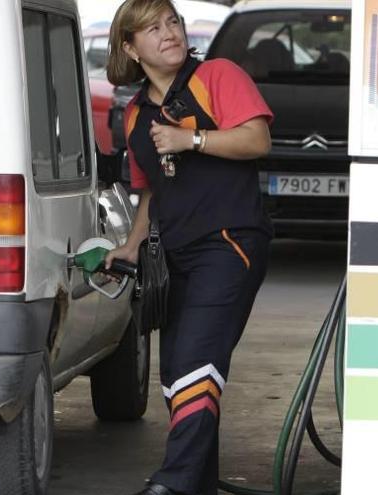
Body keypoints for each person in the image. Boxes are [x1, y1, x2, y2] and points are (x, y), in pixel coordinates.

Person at [103, 1, 274, 494]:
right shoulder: (136, 115)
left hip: (230, 242)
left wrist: (191, 139)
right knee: (178, 374)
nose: (169, 33)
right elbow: (150, 191)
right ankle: (197, 485)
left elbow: (257, 139)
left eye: (173, 22)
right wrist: (131, 247)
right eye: (153, 29)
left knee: (198, 360)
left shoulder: (217, 75)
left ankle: (172, 484)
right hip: (174, 254)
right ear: (131, 48)